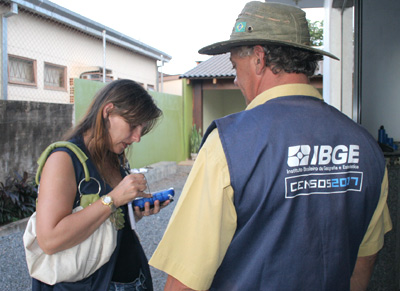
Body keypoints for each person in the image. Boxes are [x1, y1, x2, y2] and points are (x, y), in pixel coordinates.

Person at [149, 2, 392, 291]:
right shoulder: (366, 146)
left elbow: (184, 281)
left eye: (235, 67)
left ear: (259, 59)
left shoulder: (228, 145)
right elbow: (365, 257)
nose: (236, 80)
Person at [33, 79, 170, 290]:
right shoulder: (63, 159)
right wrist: (114, 198)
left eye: (141, 130)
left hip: (134, 280)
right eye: (133, 126)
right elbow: (49, 239)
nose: (137, 138)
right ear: (108, 112)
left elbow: (105, 222)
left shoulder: (114, 157)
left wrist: (135, 212)